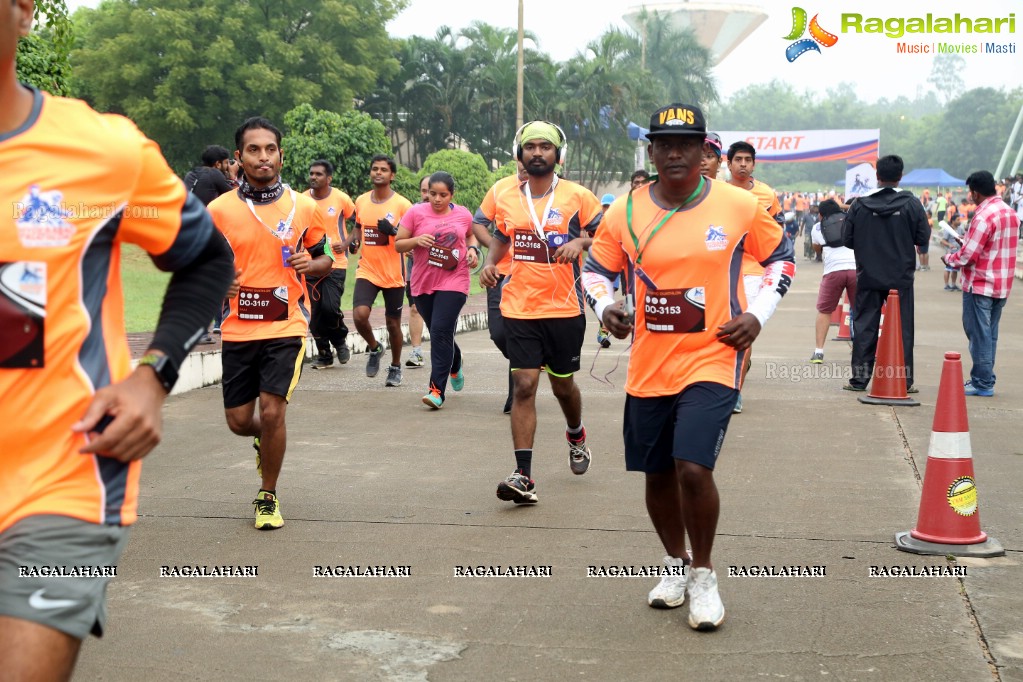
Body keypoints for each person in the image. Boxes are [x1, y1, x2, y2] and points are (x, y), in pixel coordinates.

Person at [1, 0, 234, 675]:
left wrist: (152, 374)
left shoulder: (101, 151)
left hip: (57, 482)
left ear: (23, 10)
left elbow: (206, 258)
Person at [582, 102, 795, 632]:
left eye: (687, 143)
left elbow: (782, 257)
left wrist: (756, 315)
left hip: (715, 354)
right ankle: (674, 564)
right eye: (664, 144)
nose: (674, 152)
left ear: (705, 152)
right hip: (650, 362)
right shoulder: (624, 211)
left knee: (693, 468)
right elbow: (594, 270)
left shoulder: (737, 205)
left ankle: (703, 574)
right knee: (656, 474)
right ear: (651, 152)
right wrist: (605, 306)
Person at [208, 117, 331, 530]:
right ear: (238, 157)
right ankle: (265, 439)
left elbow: (324, 258)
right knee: (240, 421)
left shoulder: (304, 207)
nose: (264, 157)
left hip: (286, 324)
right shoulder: (219, 210)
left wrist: (309, 263)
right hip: (239, 329)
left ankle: (267, 495)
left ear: (281, 154)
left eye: (270, 149)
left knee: (273, 410)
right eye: (254, 150)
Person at [479, 120, 602, 503]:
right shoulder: (507, 196)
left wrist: (579, 242)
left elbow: (607, 237)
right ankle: (523, 475)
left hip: (565, 308)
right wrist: (489, 263)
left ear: (557, 155)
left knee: (563, 386)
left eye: (544, 147)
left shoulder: (579, 196)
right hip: (519, 306)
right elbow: (501, 239)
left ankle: (576, 433)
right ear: (519, 154)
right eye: (530, 147)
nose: (537, 152)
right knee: (525, 386)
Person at [842, 155, 930, 393]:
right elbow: (923, 239)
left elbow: (847, 239)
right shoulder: (912, 204)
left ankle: (859, 380)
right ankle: (904, 380)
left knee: (865, 327)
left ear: (877, 176)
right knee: (902, 328)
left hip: (868, 276)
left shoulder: (859, 205)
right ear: (900, 176)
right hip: (900, 278)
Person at [395, 172, 479, 408]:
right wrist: (416, 241)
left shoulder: (462, 214)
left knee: (441, 330)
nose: (437, 199)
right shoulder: (415, 212)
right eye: (432, 194)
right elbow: (398, 243)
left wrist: (472, 251)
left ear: (451, 194)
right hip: (423, 283)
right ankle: (456, 361)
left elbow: (472, 235)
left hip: (455, 281)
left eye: (443, 195)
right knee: (439, 332)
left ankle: (436, 391)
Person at [942, 170, 1020, 396]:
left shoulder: (983, 215)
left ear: (975, 193)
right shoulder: (1010, 212)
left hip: (980, 284)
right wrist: (966, 243)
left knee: (978, 334)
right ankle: (985, 378)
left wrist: (949, 258)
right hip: (1001, 284)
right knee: (990, 334)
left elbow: (967, 257)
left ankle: (983, 381)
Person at [341, 155, 413, 387]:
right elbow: (358, 228)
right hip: (368, 269)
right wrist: (352, 242)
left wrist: (392, 230)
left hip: (394, 273)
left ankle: (395, 366)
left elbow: (410, 239)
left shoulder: (403, 205)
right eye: (374, 169)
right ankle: (375, 348)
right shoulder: (361, 200)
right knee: (360, 315)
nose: (378, 173)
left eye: (383, 169)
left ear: (392, 175)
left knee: (393, 324)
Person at [726, 140, 783, 414]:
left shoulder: (767, 195)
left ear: (754, 164)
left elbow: (776, 231)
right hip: (720, 269)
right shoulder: (717, 191)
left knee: (742, 328)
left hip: (752, 271)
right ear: (729, 163)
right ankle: (732, 370)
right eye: (738, 159)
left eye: (748, 159)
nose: (743, 164)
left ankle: (735, 390)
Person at [473, 162, 529, 414]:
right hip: (499, 272)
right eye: (524, 151)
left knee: (517, 330)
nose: (529, 159)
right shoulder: (500, 189)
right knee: (499, 333)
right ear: (518, 157)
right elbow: (478, 224)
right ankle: (529, 361)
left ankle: (515, 395)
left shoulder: (555, 191)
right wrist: (495, 252)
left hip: (532, 276)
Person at [304, 159, 354, 369]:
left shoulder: (341, 198)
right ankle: (324, 354)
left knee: (330, 307)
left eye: (319, 174)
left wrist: (348, 242)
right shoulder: (303, 200)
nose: (314, 177)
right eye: (312, 173)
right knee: (314, 313)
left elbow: (359, 223)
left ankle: (340, 340)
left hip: (336, 261)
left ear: (329, 178)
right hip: (310, 263)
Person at [810, 200, 856, 363]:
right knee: (860, 310)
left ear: (820, 215)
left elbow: (817, 249)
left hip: (833, 272)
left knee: (824, 311)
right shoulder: (852, 220)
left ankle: (818, 352)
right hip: (855, 270)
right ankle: (860, 348)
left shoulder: (817, 228)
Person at [404, 176, 429, 368]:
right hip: (416, 273)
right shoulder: (412, 212)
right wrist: (408, 247)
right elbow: (401, 239)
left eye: (434, 191)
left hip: (443, 277)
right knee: (415, 309)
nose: (428, 195)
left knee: (438, 317)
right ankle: (416, 352)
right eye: (424, 191)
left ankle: (450, 351)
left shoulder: (452, 213)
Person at [938, 214, 964, 291]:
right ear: (953, 221)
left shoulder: (960, 229)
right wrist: (949, 244)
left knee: (955, 269)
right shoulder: (948, 230)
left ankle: (953, 284)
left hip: (958, 252)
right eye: (958, 220)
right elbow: (943, 240)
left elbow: (963, 236)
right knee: (948, 268)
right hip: (950, 252)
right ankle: (946, 285)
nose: (959, 221)